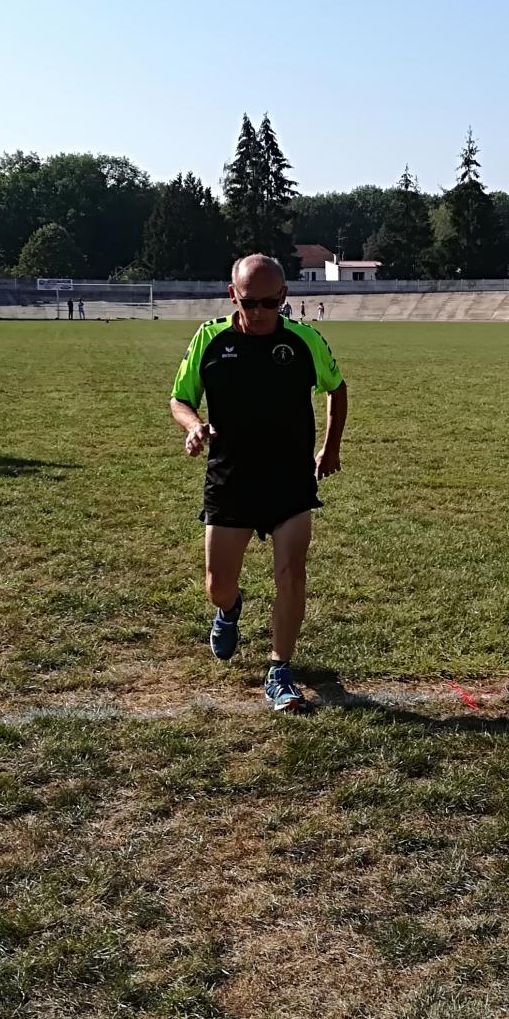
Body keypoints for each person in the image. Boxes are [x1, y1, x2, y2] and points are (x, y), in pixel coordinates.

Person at [170, 254, 348, 713]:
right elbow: (180, 398)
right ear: (234, 296)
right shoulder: (209, 339)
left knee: (292, 575)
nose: (262, 312)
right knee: (217, 585)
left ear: (284, 297)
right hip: (230, 479)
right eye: (252, 303)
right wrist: (193, 425)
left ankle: (279, 670)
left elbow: (337, 387)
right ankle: (229, 610)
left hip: (290, 480)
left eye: (272, 301)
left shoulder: (304, 340)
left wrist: (330, 448)